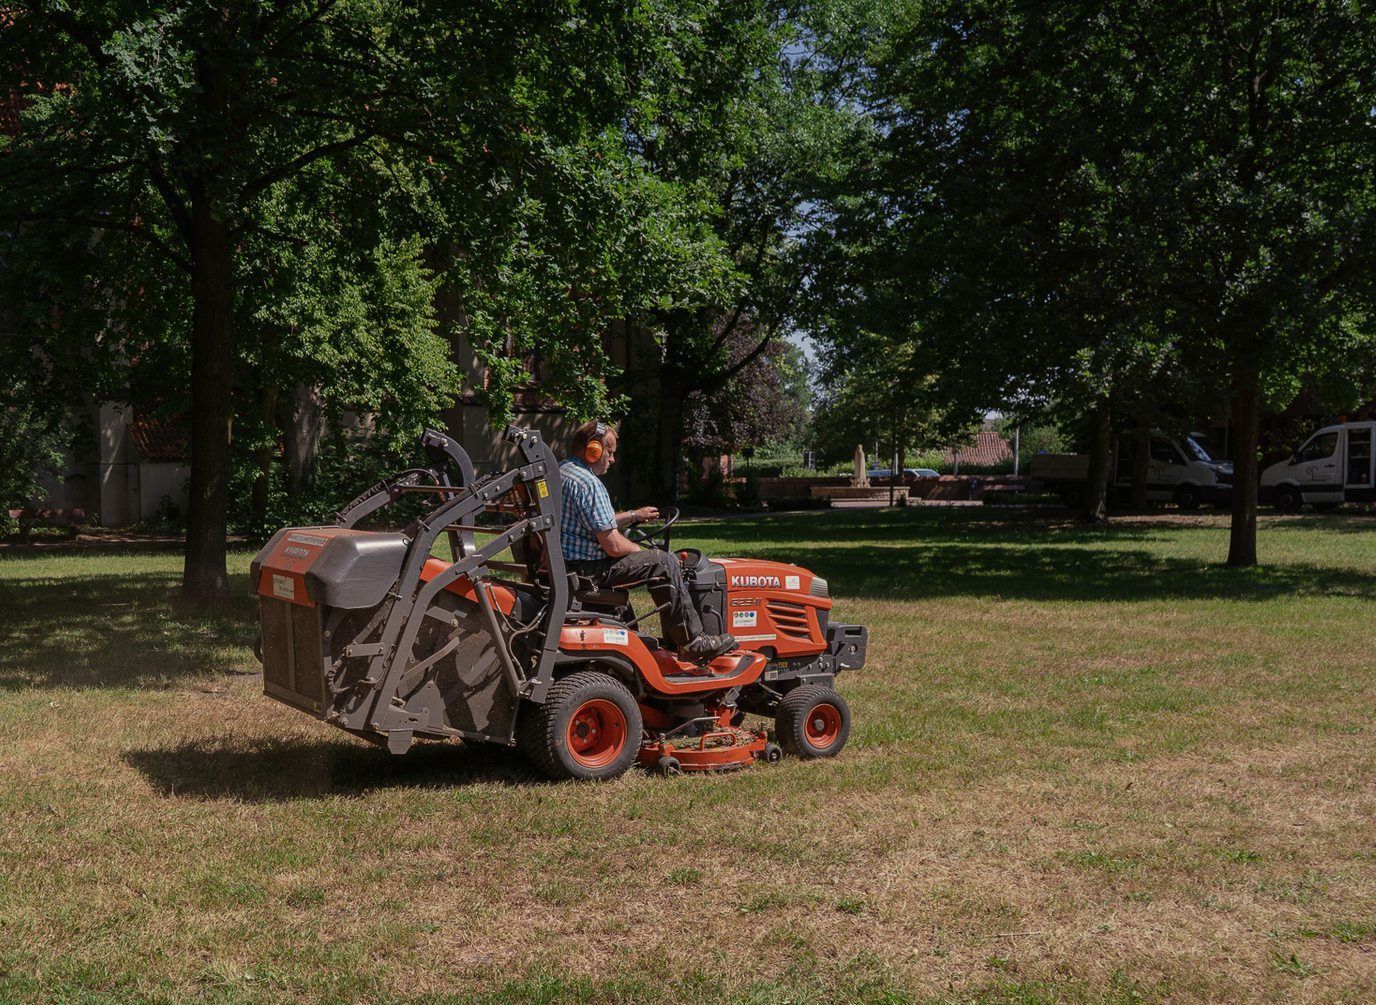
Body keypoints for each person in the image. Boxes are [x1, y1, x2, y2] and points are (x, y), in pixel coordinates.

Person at [558, 420, 738, 662]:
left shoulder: (562, 472)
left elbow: (591, 519)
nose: (612, 459)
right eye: (609, 453)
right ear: (593, 450)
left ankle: (634, 637)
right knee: (664, 562)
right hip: (589, 570)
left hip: (567, 566)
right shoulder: (589, 484)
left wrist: (634, 515)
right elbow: (614, 546)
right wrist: (642, 549)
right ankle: (692, 642)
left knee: (657, 559)